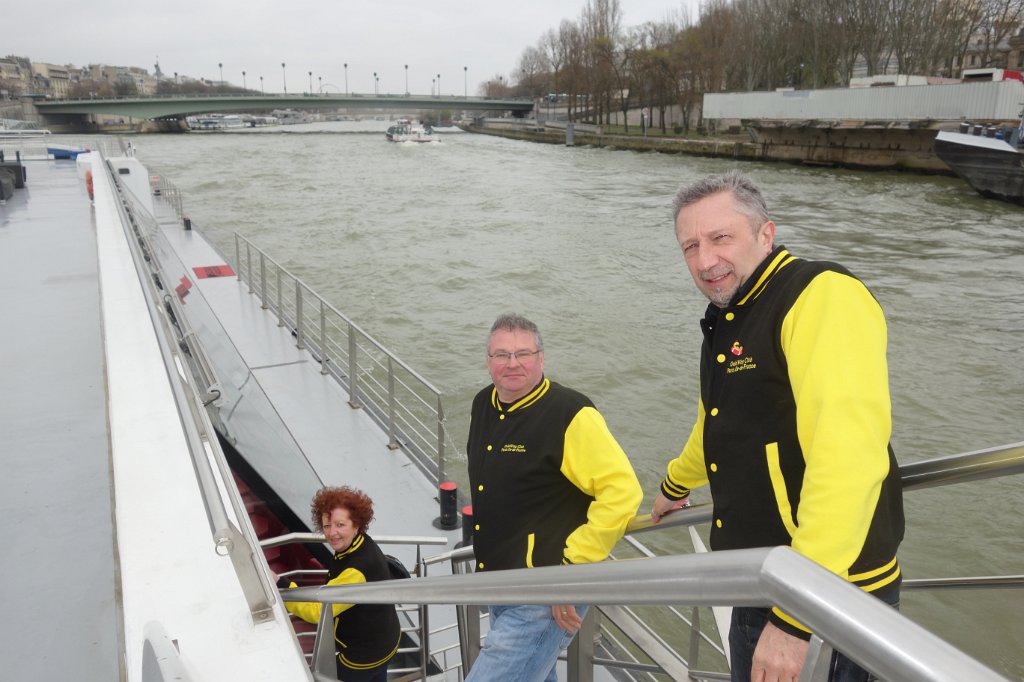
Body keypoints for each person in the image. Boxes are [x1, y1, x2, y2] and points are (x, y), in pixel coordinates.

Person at [650, 171, 904, 682]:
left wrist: (796, 614)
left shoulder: (820, 296)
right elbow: (718, 419)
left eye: (721, 238)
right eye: (690, 247)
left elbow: (848, 458)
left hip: (825, 595)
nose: (705, 261)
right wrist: (675, 485)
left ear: (765, 234)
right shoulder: (733, 312)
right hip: (763, 577)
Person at [465, 312, 643, 682]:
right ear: (488, 361)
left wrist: (571, 571)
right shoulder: (484, 403)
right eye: (501, 354)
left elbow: (622, 492)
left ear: (541, 358)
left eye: (523, 354)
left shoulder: (570, 414)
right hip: (498, 581)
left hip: (545, 591)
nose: (512, 363)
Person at [275, 486, 401, 682]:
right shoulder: (361, 543)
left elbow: (318, 611)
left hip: (363, 655)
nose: (332, 533)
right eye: (327, 525)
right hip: (385, 640)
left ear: (356, 525)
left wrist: (281, 584)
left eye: (340, 525)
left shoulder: (356, 571)